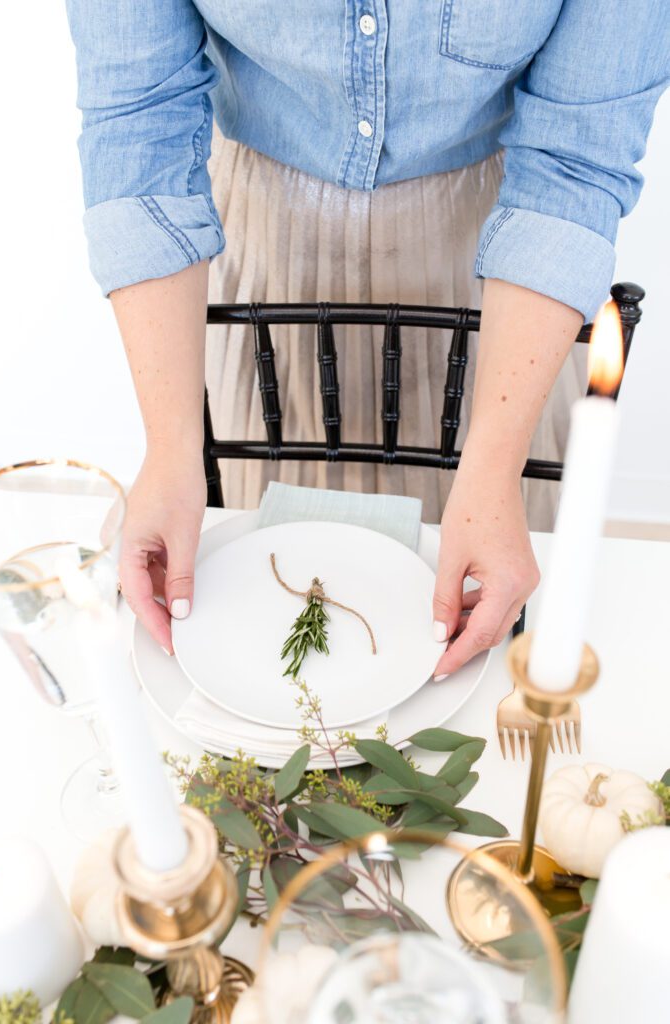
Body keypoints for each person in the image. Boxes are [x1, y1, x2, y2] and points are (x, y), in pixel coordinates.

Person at [66, 1, 668, 676]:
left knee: (488, 611)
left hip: (505, 258)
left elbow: (576, 156)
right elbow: (138, 121)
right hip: (264, 235)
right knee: (257, 607)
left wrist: (494, 464)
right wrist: (169, 449)